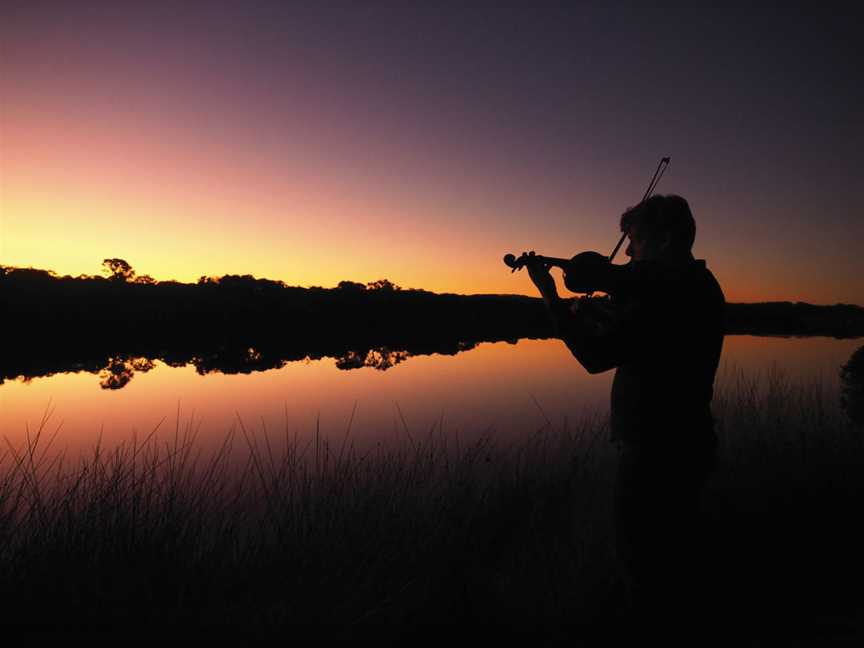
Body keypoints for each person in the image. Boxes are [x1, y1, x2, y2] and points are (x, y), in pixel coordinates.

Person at [524, 194, 725, 635]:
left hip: (656, 449)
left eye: (634, 241)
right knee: (673, 564)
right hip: (687, 441)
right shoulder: (695, 286)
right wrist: (602, 311)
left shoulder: (671, 293)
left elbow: (595, 358)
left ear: (666, 239)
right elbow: (640, 337)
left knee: (643, 570)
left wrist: (553, 299)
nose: (628, 253)